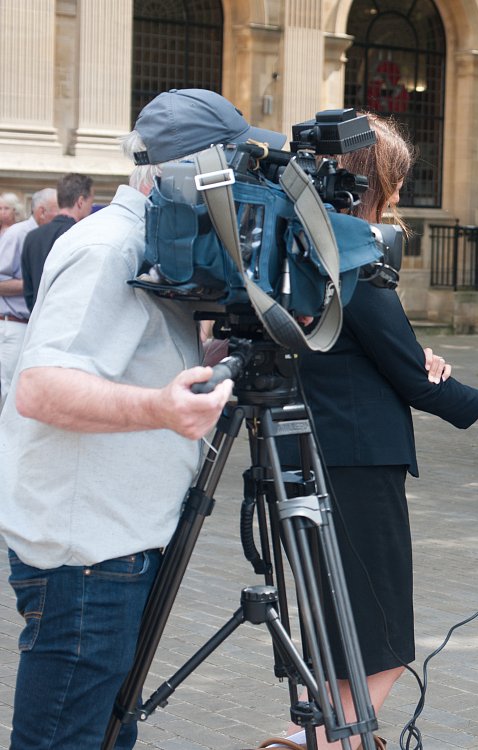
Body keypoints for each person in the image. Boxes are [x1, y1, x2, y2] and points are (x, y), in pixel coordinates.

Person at [0, 87, 282, 748]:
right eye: (236, 171)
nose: (244, 191)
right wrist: (160, 407)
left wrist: (212, 357)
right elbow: (42, 388)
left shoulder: (156, 244)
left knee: (103, 735)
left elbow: (119, 362)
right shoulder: (108, 248)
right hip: (87, 560)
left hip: (110, 546)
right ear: (193, 176)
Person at [268, 113, 478, 750]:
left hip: (303, 449)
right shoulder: (349, 256)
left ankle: (303, 734)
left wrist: (418, 358)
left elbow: (392, 358)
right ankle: (337, 742)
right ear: (375, 183)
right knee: (383, 636)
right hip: (354, 463)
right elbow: (413, 381)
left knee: (333, 623)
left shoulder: (293, 248)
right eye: (396, 182)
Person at [0, 187, 58, 406]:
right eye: (57, 209)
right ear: (42, 212)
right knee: (9, 392)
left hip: (30, 326)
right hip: (13, 326)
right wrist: (36, 284)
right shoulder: (18, 234)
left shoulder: (47, 234)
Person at [21, 173, 95, 312]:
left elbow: (28, 290)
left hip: (38, 321)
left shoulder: (32, 237)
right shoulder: (83, 234)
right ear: (80, 202)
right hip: (67, 321)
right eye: (91, 202)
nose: (91, 208)